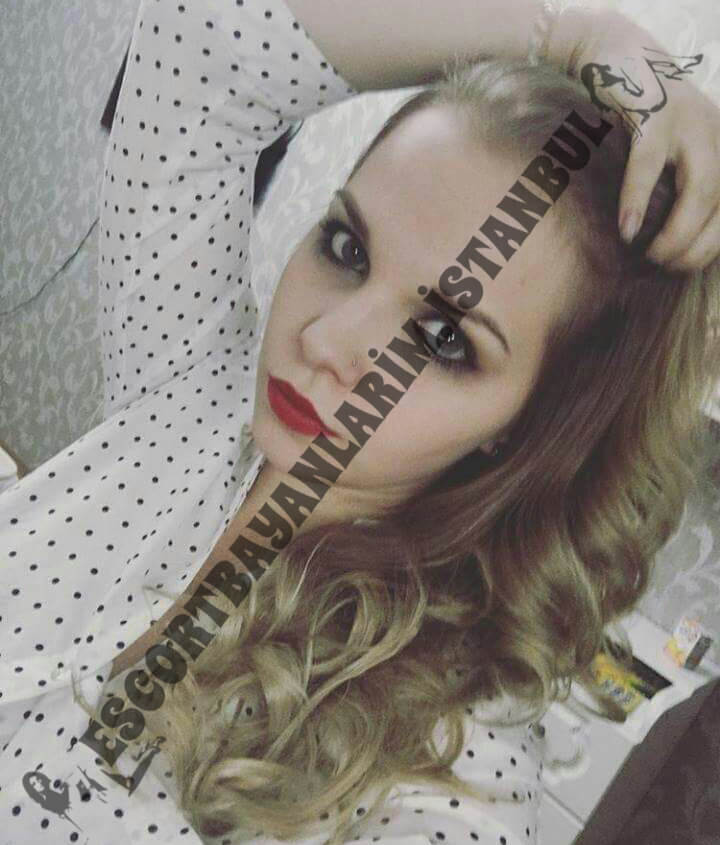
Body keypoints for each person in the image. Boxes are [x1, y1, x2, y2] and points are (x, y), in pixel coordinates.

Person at [2, 1, 720, 844]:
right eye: (347, 248)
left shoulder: (441, 774)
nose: (326, 340)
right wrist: (572, 33)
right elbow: (199, 40)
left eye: (444, 337)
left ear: (529, 423)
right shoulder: (193, 391)